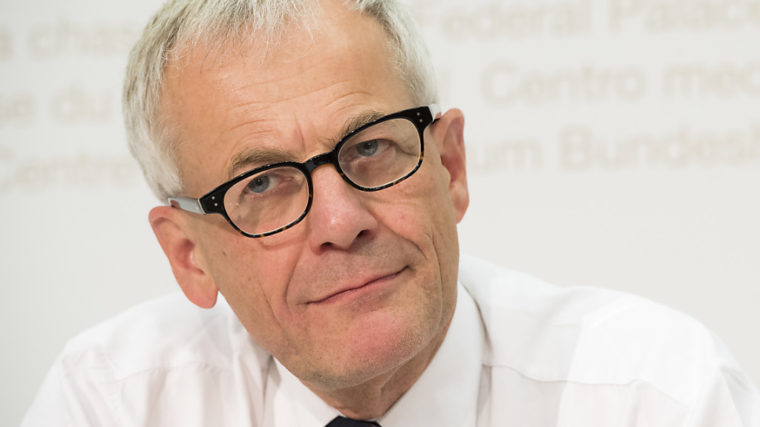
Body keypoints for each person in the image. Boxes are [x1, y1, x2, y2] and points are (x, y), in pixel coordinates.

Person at [22, 0, 760, 425]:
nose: (341, 222)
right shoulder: (114, 401)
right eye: (264, 184)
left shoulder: (652, 394)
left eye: (370, 147)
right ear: (190, 255)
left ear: (450, 166)